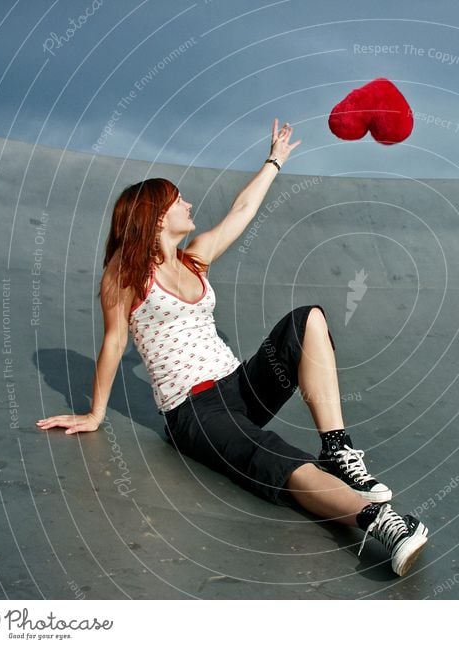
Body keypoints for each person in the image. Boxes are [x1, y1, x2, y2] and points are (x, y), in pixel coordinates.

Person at [36, 119, 428, 577]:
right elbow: (114, 342)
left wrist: (274, 161)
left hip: (239, 387)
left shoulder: (196, 257)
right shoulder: (125, 276)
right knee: (278, 459)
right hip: (196, 413)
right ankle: (381, 523)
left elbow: (241, 211)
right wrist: (95, 413)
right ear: (157, 216)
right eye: (178, 199)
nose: (188, 202)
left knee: (308, 321)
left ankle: (338, 450)